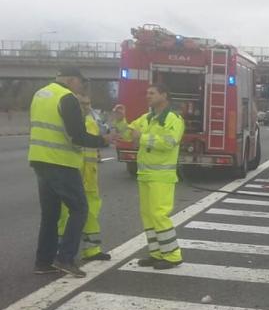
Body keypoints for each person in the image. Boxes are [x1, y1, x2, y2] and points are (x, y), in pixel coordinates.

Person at [27, 66, 109, 277]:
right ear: (72, 80)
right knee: (80, 208)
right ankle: (65, 258)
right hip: (61, 162)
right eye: (82, 82)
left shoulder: (40, 94)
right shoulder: (67, 97)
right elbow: (76, 136)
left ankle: (43, 262)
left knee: (50, 214)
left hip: (39, 159)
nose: (82, 87)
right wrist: (103, 141)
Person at [110, 83, 185, 269]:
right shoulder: (147, 118)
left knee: (159, 215)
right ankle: (157, 253)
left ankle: (173, 255)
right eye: (147, 93)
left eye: (152, 93)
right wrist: (120, 121)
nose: (148, 96)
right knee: (148, 216)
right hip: (145, 174)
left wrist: (141, 137)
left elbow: (169, 142)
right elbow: (129, 135)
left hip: (161, 175)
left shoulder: (173, 119)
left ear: (164, 95)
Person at [57, 86, 110, 261]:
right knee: (66, 215)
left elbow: (99, 144)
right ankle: (61, 252)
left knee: (92, 213)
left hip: (90, 179)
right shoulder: (69, 123)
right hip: (73, 175)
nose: (85, 106)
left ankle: (92, 250)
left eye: (88, 103)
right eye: (81, 103)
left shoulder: (92, 123)